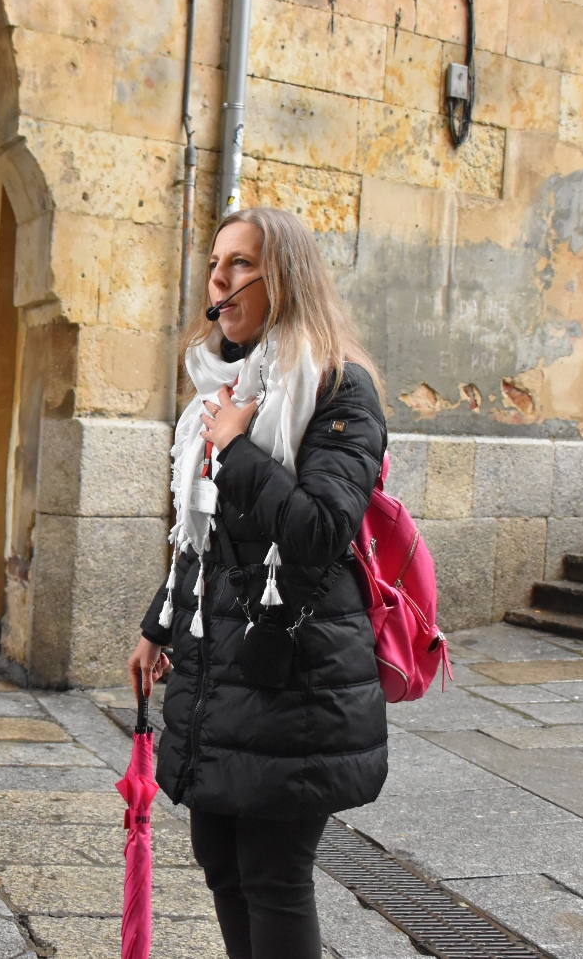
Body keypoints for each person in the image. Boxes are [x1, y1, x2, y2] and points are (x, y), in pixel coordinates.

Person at [127, 208, 389, 959]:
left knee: (272, 874)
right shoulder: (220, 389)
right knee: (219, 857)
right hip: (221, 667)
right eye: (216, 261)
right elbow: (200, 538)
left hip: (294, 678)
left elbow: (318, 530)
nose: (220, 276)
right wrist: (158, 624)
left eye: (242, 263)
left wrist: (237, 447)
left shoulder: (338, 387)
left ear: (288, 278)